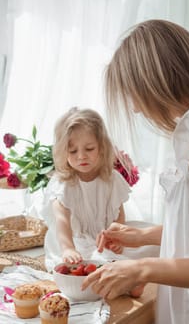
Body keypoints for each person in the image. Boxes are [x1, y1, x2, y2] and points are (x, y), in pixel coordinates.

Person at [82, 20, 189, 324]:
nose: (135, 109)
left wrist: (143, 268)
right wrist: (142, 236)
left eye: (132, 93)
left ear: (153, 81)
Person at [42, 107, 131, 272]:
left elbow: (119, 215)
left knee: (145, 248)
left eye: (89, 149)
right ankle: (123, 277)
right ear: (63, 152)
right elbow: (62, 222)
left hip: (103, 238)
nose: (81, 156)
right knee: (93, 261)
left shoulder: (111, 179)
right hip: (73, 241)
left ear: (102, 147)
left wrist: (117, 238)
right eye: (73, 151)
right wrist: (68, 248)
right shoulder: (63, 184)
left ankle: (129, 277)